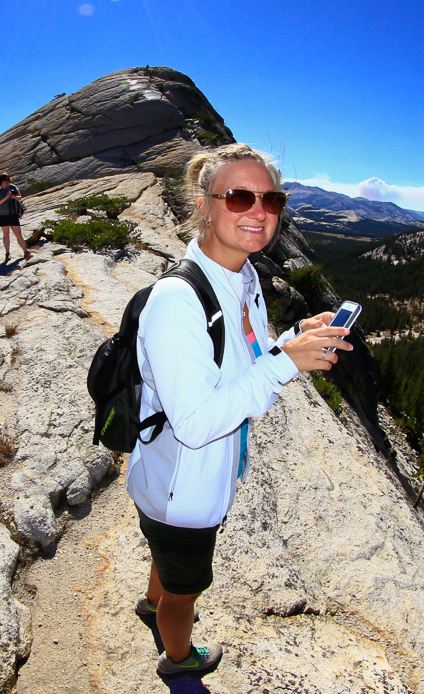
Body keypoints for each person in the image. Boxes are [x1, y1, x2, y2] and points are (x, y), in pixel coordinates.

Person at [125, 143, 354, 676]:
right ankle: (178, 659)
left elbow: (242, 361)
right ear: (204, 205)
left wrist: (294, 339)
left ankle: (151, 602)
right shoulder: (178, 300)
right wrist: (286, 365)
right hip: (184, 490)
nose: (259, 211)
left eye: (271, 199)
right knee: (188, 588)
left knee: (169, 560)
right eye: (239, 197)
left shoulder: (244, 278)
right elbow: (199, 422)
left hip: (186, 477)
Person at [0, 173, 32, 263]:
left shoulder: (13, 187)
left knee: (19, 235)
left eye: (7, 179)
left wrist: (15, 197)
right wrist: (6, 196)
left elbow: (19, 197)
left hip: (13, 214)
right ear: (1, 181)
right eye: (5, 180)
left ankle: (26, 251)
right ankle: (7, 253)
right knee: (6, 235)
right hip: (3, 215)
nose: (7, 181)